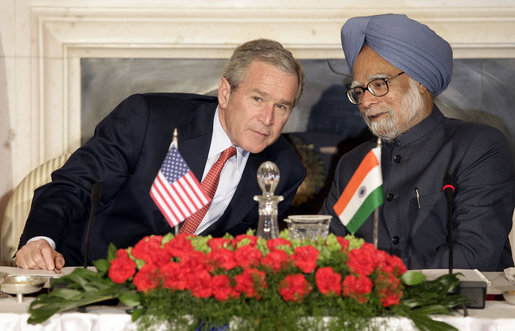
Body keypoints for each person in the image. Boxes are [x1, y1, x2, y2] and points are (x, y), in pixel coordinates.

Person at [16, 38, 306, 270]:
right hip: (92, 276)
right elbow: (72, 186)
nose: (268, 119)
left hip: (186, 300)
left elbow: (248, 253)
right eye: (258, 99)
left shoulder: (283, 168)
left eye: (282, 106)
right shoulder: (148, 119)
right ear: (225, 93)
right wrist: (40, 240)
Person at [320, 14, 514, 270]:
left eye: (379, 84)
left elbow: (473, 257)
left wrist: (380, 277)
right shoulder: (354, 163)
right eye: (359, 91)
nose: (365, 102)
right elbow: (323, 249)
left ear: (420, 82)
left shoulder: (477, 147)